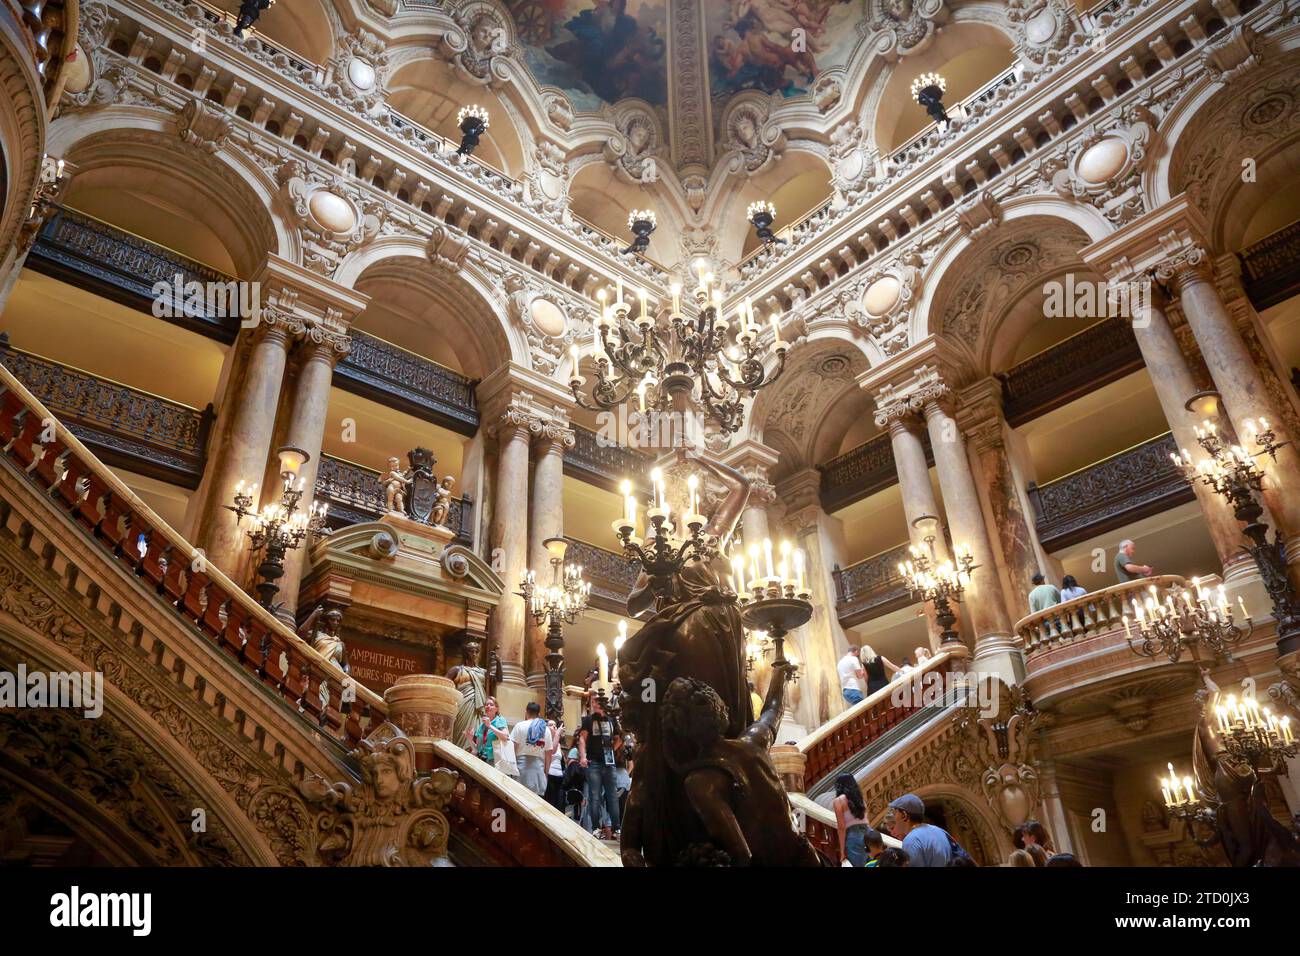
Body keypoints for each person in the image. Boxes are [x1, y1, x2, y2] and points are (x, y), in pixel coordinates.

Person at [579, 695, 622, 839]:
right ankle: (596, 827)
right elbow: (582, 739)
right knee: (594, 796)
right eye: (593, 702)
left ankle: (617, 828)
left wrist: (612, 750)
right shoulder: (588, 720)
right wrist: (583, 756)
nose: (595, 704)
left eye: (597, 702)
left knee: (612, 796)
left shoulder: (611, 720)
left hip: (609, 762)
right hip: (594, 761)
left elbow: (618, 738)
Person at [886, 793, 953, 867]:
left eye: (895, 813)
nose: (894, 818)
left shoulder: (911, 840)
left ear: (904, 815)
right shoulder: (939, 831)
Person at [510, 701, 553, 796]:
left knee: (519, 798)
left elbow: (512, 749)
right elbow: (548, 754)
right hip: (538, 770)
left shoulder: (519, 726)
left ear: (526, 712)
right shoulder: (546, 730)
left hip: (521, 769)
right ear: (539, 714)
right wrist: (546, 773)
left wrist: (511, 769)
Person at [832, 773, 870, 866]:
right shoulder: (860, 799)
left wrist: (842, 851)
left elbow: (841, 827)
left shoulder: (838, 801)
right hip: (869, 833)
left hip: (854, 836)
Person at [467, 696, 508, 764]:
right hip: (481, 760)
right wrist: (470, 739)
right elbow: (476, 749)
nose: (488, 706)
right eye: (486, 704)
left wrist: (490, 726)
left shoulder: (500, 720)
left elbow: (505, 737)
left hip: (494, 761)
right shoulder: (481, 726)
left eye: (491, 704)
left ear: (496, 709)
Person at [543, 721, 566, 810]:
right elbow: (552, 751)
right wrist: (557, 734)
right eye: (551, 725)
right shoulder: (545, 740)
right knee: (550, 803)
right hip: (550, 775)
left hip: (559, 776)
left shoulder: (559, 744)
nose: (554, 727)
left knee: (560, 804)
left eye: (555, 725)